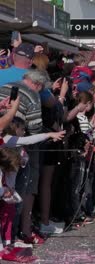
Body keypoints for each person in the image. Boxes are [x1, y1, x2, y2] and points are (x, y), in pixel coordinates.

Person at [0, 70, 48, 244]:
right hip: (14, 146)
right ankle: (17, 233)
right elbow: (34, 128)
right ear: (38, 84)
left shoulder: (5, 86)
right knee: (18, 191)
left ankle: (7, 237)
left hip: (6, 142)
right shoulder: (33, 95)